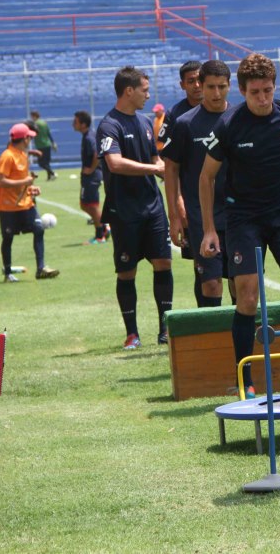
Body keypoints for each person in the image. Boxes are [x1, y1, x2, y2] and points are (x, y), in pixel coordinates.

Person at [199, 53, 280, 399]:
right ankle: (246, 381)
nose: (263, 99)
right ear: (242, 91)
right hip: (244, 217)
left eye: (268, 90)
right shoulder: (229, 125)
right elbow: (206, 178)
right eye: (255, 93)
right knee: (248, 297)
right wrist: (208, 229)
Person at [97, 66, 173, 349]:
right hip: (124, 211)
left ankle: (165, 329)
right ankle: (132, 333)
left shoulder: (144, 122)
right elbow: (114, 164)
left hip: (153, 206)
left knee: (163, 262)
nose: (148, 94)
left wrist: (163, 168)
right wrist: (153, 168)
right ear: (129, 90)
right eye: (144, 89)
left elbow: (156, 158)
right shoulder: (109, 125)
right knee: (127, 272)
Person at [163, 60, 234, 308]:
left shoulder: (238, 118)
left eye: (222, 87)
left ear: (230, 86)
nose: (216, 93)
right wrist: (174, 212)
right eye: (211, 87)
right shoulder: (185, 123)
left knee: (240, 281)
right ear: (201, 86)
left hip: (238, 214)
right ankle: (213, 339)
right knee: (211, 282)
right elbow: (170, 167)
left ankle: (240, 338)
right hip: (200, 214)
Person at [157, 60, 203, 300]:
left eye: (199, 80)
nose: (196, 85)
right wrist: (177, 207)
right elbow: (168, 162)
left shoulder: (223, 109)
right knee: (201, 267)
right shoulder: (176, 115)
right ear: (182, 85)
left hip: (224, 197)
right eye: (190, 81)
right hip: (191, 199)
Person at [0, 123, 60, 282]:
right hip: (9, 207)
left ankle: (41, 269)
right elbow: (1, 181)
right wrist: (26, 181)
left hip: (26, 204)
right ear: (24, 139)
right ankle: (8, 273)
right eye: (29, 137)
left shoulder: (23, 154)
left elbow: (20, 183)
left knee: (39, 229)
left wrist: (31, 189)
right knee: (8, 239)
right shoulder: (7, 156)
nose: (31, 139)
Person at [73, 110, 107, 244]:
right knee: (85, 205)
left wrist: (91, 169)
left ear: (83, 124)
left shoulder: (89, 137)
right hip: (90, 176)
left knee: (91, 206)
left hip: (92, 177)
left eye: (75, 122)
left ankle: (100, 236)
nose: (72, 124)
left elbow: (97, 153)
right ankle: (104, 227)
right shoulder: (87, 135)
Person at [29, 110, 57, 181]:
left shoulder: (35, 124)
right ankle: (49, 176)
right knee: (46, 162)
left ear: (34, 116)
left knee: (41, 163)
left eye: (32, 116)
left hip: (40, 145)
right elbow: (48, 133)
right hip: (47, 144)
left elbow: (33, 133)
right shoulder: (44, 122)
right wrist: (53, 142)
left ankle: (52, 173)